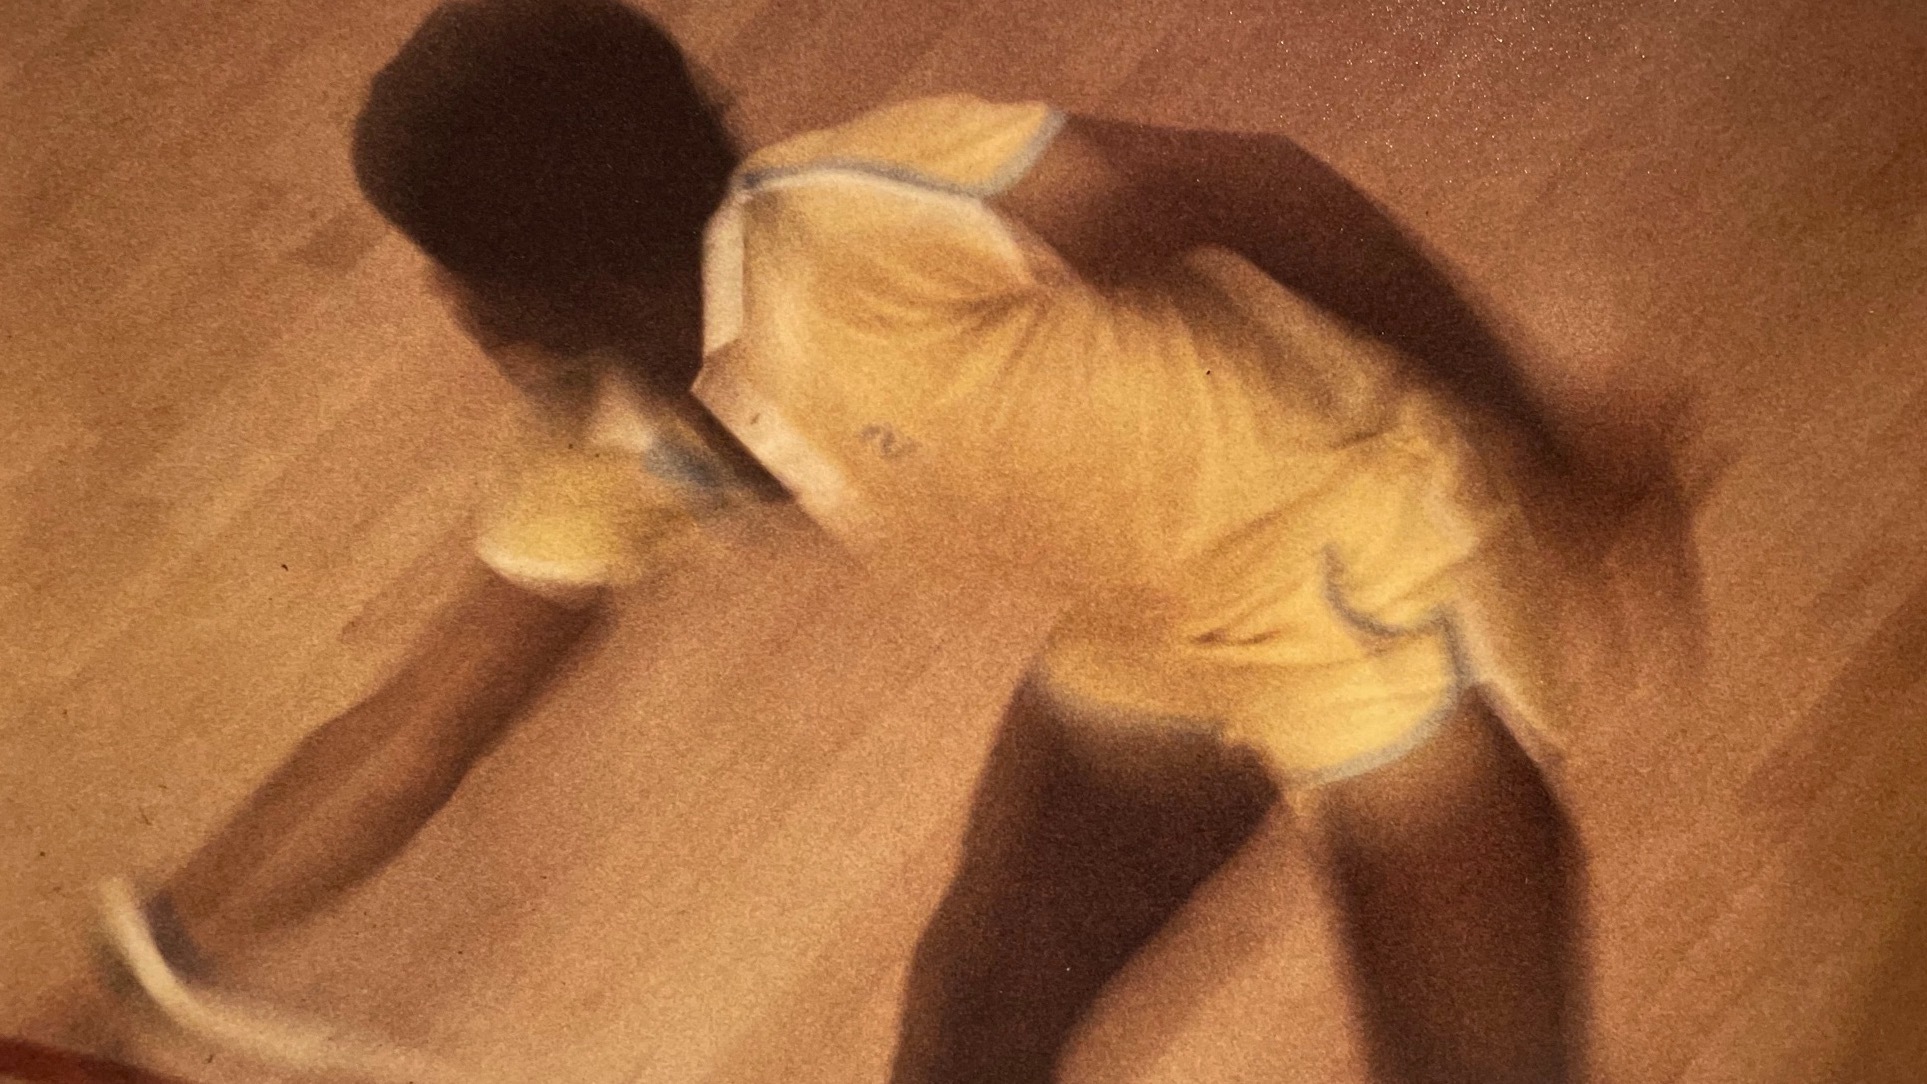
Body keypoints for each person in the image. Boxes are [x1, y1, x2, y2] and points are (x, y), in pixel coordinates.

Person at [73, 0, 1697, 1080]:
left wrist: (1546, 443)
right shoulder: (612, 438)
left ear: (538, 287)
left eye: (447, 265)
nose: (440, 298)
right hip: (1156, 625)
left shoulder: (872, 217)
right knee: (976, 1024)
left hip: (1370, 559)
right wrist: (149, 958)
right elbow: (416, 727)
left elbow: (1267, 192)